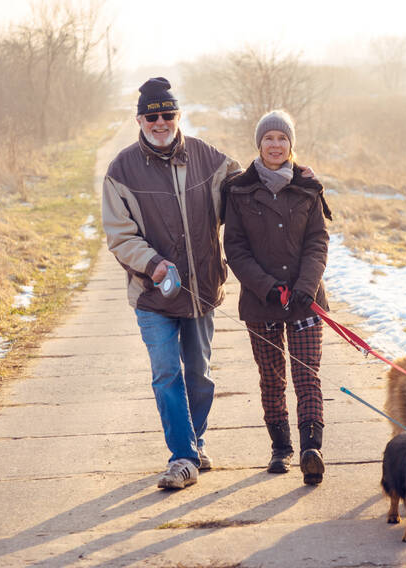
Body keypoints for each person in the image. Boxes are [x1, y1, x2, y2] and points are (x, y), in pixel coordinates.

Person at [101, 77, 241, 490]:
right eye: (151, 116)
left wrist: (287, 175)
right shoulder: (120, 169)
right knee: (166, 374)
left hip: (201, 291)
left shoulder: (209, 158)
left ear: (178, 115)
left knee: (199, 374)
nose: (159, 122)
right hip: (153, 294)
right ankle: (181, 457)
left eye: (167, 114)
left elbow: (247, 199)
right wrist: (152, 263)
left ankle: (194, 444)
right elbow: (119, 234)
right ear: (140, 119)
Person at [222, 110, 332, 485]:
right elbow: (234, 248)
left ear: (291, 145)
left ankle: (311, 449)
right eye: (268, 138)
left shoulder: (308, 186)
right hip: (261, 301)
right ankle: (280, 448)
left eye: (282, 139)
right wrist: (266, 286)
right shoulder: (239, 190)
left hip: (305, 300)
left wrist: (305, 286)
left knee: (307, 374)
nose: (275, 145)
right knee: (271, 378)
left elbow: (318, 240)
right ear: (259, 144)